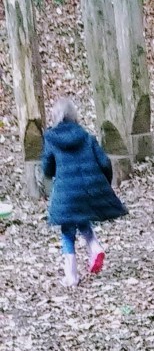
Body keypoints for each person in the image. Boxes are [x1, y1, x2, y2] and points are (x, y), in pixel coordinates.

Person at [40, 97, 127, 287]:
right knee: (81, 216)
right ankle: (94, 246)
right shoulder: (86, 137)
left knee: (67, 231)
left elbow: (47, 168)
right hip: (88, 191)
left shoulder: (51, 139)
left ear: (55, 116)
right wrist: (103, 183)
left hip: (66, 194)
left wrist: (55, 171)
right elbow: (105, 162)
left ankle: (71, 275)